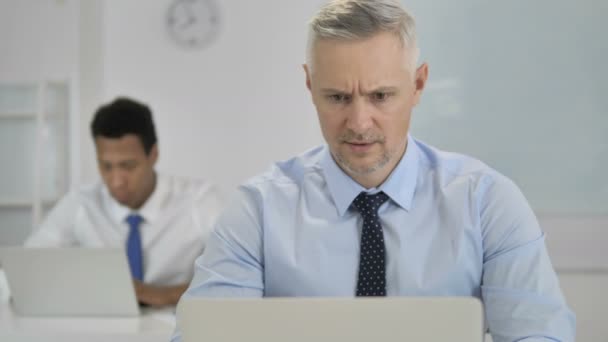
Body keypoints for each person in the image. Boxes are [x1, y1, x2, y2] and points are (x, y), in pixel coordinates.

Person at [173, 0, 574, 341]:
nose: (359, 122)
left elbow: (539, 333)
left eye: (381, 96)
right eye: (337, 97)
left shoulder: (486, 202)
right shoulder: (258, 211)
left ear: (418, 85)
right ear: (310, 86)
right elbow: (206, 334)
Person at [25, 97, 222, 307]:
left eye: (128, 166)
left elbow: (244, 274)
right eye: (106, 166)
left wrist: (165, 294)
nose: (117, 181)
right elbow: (29, 267)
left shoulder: (198, 201)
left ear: (153, 155)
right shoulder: (81, 204)